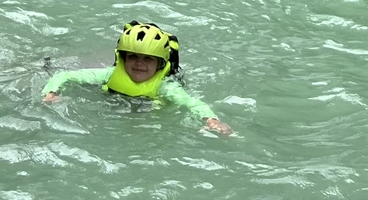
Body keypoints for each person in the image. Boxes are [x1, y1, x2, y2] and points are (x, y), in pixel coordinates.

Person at [42, 20, 233, 135]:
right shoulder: (108, 75)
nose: (139, 63)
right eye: (133, 56)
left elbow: (194, 104)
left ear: (160, 65)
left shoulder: (165, 88)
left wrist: (212, 120)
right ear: (122, 58)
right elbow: (65, 75)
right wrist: (51, 92)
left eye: (148, 59)